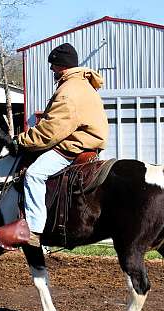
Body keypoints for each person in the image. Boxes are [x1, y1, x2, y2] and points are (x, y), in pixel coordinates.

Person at [15, 42, 109, 247]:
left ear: (62, 66)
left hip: (73, 146)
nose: (51, 69)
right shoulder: (85, 85)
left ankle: (35, 230)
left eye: (53, 65)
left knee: (34, 174)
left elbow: (51, 131)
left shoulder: (69, 91)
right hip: (88, 143)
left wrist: (22, 141)